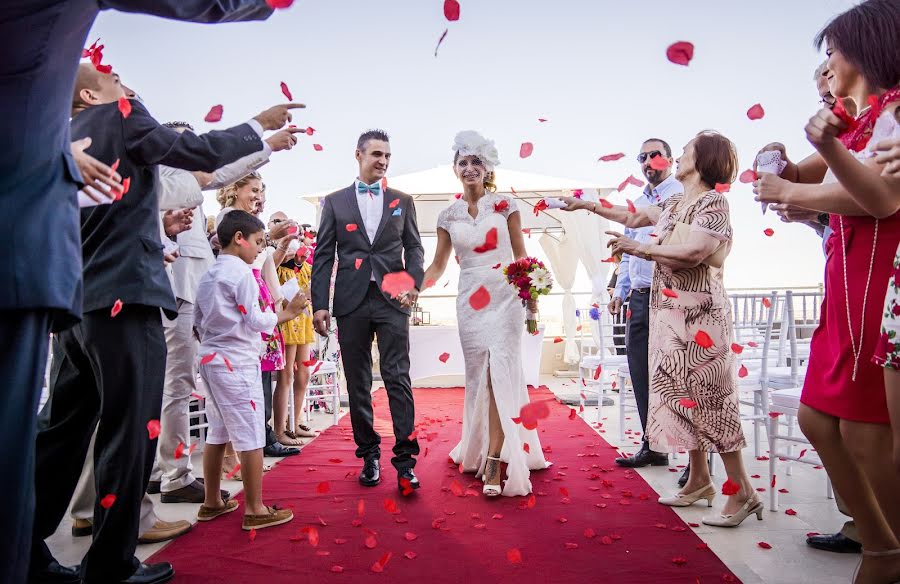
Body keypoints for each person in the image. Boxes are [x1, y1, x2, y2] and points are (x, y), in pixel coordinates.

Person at [0, 0, 304, 581]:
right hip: (128, 296)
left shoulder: (56, 140)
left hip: (75, 302)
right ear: (92, 92)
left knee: (60, 433)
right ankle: (112, 565)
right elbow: (189, 150)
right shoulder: (120, 115)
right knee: (129, 432)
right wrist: (255, 127)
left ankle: (24, 548)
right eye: (118, 81)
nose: (130, 88)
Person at [753, 0, 900, 580]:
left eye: (833, 51)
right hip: (844, 277)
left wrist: (790, 192)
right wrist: (779, 165)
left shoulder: (895, 111)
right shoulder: (859, 118)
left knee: (866, 431)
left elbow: (878, 198)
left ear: (865, 48)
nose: (827, 65)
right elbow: (803, 177)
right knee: (817, 418)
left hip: (876, 276)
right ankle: (880, 539)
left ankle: (888, 548)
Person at [563, 131, 760, 526]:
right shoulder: (674, 202)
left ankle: (743, 493)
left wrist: (640, 249)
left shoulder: (713, 202)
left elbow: (696, 252)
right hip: (671, 317)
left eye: (687, 150)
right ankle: (699, 480)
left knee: (713, 402)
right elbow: (633, 216)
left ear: (701, 161)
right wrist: (586, 205)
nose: (681, 153)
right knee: (683, 398)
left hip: (702, 319)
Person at [149, 122, 300, 502]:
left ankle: (188, 485)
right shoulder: (170, 182)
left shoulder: (216, 251)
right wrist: (265, 144)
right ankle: (179, 476)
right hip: (186, 303)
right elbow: (256, 318)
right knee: (185, 395)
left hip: (200, 323)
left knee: (196, 407)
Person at [421, 131, 550, 496]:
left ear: (487, 167)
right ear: (455, 170)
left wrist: (533, 299)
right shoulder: (447, 216)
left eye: (476, 162)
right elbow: (438, 265)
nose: (470, 168)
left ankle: (494, 460)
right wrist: (415, 287)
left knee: (499, 374)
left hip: (505, 296)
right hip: (470, 301)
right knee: (479, 377)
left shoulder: (506, 205)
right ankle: (479, 448)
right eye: (463, 162)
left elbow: (521, 255)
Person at [311, 130, 424, 492]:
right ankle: (369, 455)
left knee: (397, 377)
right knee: (358, 382)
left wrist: (414, 285)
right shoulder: (334, 201)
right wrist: (319, 305)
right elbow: (324, 255)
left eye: (388, 155)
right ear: (358, 155)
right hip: (350, 301)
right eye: (377, 154)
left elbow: (415, 248)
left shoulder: (403, 200)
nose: (383, 161)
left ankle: (406, 463)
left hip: (393, 301)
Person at [194, 210, 309, 531]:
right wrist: (290, 313)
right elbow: (256, 321)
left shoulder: (208, 275)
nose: (261, 249)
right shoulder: (242, 274)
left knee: (217, 431)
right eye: (258, 242)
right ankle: (256, 508)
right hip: (237, 361)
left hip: (211, 359)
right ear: (239, 238)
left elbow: (198, 323)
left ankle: (212, 501)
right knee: (251, 433)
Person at [609, 138, 683, 471]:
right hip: (639, 297)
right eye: (643, 156)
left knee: (678, 376)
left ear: (669, 159)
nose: (649, 160)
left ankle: (696, 464)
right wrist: (619, 291)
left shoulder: (680, 196)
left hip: (670, 295)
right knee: (641, 373)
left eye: (655, 154)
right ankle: (653, 444)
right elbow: (626, 252)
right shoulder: (637, 203)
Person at [268, 214, 318, 440]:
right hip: (286, 323)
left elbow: (309, 292)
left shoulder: (304, 268)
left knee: (303, 374)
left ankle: (295, 421)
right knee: (286, 375)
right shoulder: (275, 264)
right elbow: (273, 293)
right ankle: (279, 429)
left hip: (303, 321)